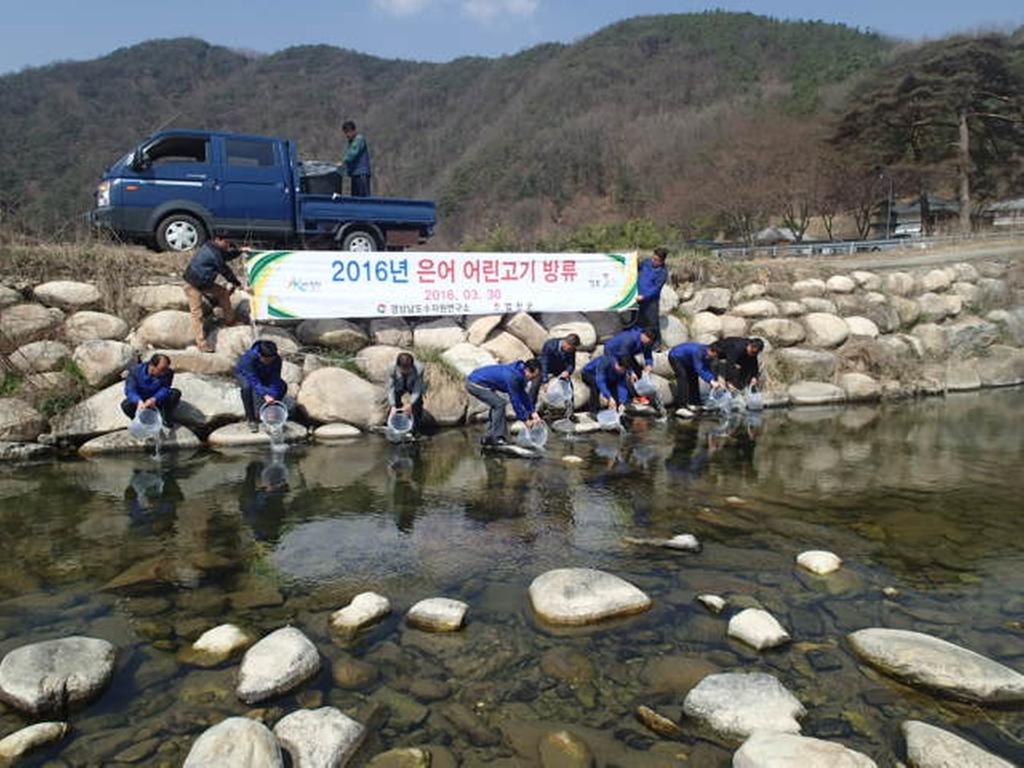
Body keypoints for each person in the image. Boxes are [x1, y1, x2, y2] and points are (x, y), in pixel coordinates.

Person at [183, 232, 250, 352]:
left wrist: (240, 251)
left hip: (204, 282)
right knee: (197, 314)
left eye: (229, 243)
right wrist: (239, 285)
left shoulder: (212, 247)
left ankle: (230, 320)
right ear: (218, 240)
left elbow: (226, 256)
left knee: (223, 293)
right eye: (226, 242)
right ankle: (201, 343)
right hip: (193, 284)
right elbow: (225, 271)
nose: (228, 245)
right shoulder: (213, 254)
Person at [466, 359, 542, 446]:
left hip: (480, 382)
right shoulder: (513, 377)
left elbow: (523, 395)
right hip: (474, 383)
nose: (532, 380)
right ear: (527, 370)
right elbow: (515, 401)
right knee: (499, 404)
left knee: (496, 404)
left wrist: (533, 412)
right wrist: (525, 420)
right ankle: (497, 438)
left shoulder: (520, 372)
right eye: (532, 377)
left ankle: (488, 436)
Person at [235, 340, 287, 432]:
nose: (269, 361)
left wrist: (273, 396)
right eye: (267, 360)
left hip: (264, 373)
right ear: (260, 355)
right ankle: (251, 419)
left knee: (282, 386)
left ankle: (271, 412)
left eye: (272, 359)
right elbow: (253, 380)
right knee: (247, 388)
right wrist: (265, 395)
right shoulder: (248, 359)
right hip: (245, 375)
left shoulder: (277, 359)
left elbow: (275, 378)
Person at [121, 353, 181, 427]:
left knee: (175, 393)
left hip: (157, 399)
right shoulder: (135, 371)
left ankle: (165, 416)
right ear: (152, 366)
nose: (164, 372)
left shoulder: (168, 372)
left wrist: (155, 398)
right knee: (126, 405)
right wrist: (138, 401)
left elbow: (165, 388)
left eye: (166, 369)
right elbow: (130, 390)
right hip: (141, 400)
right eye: (161, 370)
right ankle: (142, 421)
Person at [530, 333, 580, 417]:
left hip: (559, 367)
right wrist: (545, 380)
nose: (571, 350)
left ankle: (570, 412)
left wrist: (568, 371)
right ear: (566, 343)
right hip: (544, 366)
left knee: (568, 386)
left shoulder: (572, 350)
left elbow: (571, 364)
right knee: (535, 384)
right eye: (570, 348)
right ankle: (530, 411)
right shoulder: (550, 345)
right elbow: (544, 362)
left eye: (573, 349)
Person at [668, 342, 723, 413]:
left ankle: (695, 402)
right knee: (683, 377)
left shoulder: (709, 354)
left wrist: (713, 379)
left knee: (693, 377)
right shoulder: (698, 352)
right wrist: (711, 381)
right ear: (710, 351)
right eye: (714, 355)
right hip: (675, 356)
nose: (714, 358)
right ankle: (681, 405)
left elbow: (707, 368)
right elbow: (699, 369)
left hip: (688, 360)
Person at [634, 247, 669, 345]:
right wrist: (634, 260)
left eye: (656, 260)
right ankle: (640, 341)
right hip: (638, 297)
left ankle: (656, 343)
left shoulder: (663, 272)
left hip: (651, 301)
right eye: (653, 258)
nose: (653, 261)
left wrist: (644, 296)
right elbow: (637, 267)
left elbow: (656, 289)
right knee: (639, 320)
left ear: (662, 261)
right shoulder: (647, 262)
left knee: (652, 322)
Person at [386, 352, 425, 435]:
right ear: (398, 366)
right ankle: (394, 428)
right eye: (403, 369)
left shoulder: (419, 368)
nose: (406, 371)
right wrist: (392, 405)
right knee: (393, 405)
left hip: (412, 385)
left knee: (417, 404)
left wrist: (410, 403)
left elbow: (417, 388)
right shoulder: (391, 368)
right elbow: (390, 388)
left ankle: (415, 429)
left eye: (408, 369)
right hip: (398, 386)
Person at [341, 120, 372, 197]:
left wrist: (343, 161)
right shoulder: (351, 142)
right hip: (354, 174)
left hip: (361, 174)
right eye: (345, 133)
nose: (347, 135)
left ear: (353, 131)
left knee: (363, 198)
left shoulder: (359, 139)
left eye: (348, 132)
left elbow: (352, 153)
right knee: (355, 198)